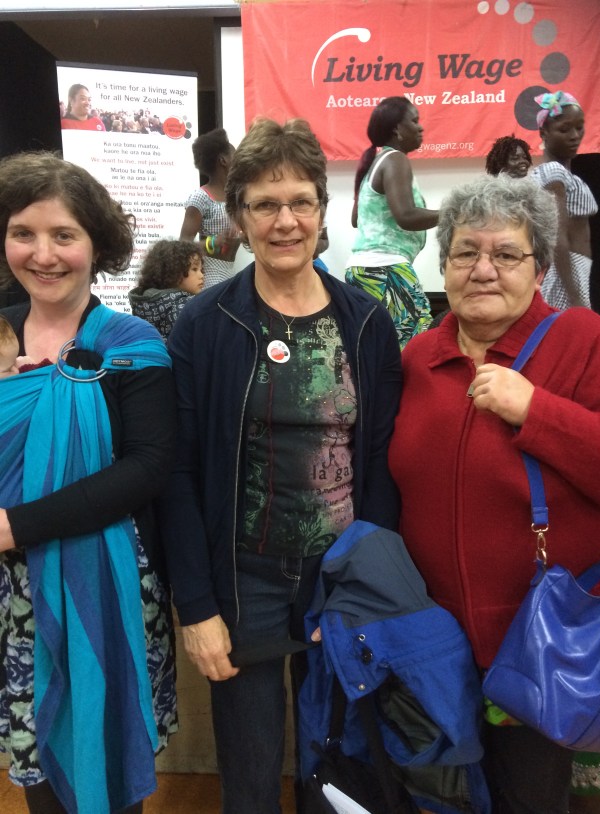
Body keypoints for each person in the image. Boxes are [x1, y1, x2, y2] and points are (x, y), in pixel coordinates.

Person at [158, 117, 402, 814]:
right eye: (265, 205)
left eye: (300, 202)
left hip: (341, 579)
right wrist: (197, 607)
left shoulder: (365, 323)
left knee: (340, 768)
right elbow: (177, 474)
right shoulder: (205, 325)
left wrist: (370, 585)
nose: (285, 220)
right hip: (245, 584)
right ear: (237, 216)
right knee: (252, 774)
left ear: (323, 211)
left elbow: (380, 463)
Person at [388, 174, 600, 814]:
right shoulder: (419, 358)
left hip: (542, 648)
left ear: (539, 267)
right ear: (445, 264)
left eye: (506, 254)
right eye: (465, 252)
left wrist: (537, 412)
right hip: (436, 650)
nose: (483, 269)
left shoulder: (585, 340)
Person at [0, 151, 178, 814]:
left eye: (64, 235)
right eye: (24, 233)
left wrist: (17, 525)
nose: (43, 254)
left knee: (102, 757)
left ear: (96, 245)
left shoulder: (131, 343)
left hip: (104, 591)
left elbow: (147, 468)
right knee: (35, 767)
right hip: (10, 601)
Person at [345, 97, 438, 349]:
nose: (420, 127)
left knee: (375, 345)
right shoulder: (396, 159)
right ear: (397, 129)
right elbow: (406, 216)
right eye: (415, 121)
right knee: (414, 343)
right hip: (386, 269)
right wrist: (451, 212)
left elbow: (357, 220)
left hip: (361, 271)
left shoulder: (375, 163)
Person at [531, 90, 597, 310]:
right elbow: (557, 236)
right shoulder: (553, 172)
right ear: (544, 133)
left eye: (579, 127)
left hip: (575, 269)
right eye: (564, 129)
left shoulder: (564, 174)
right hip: (565, 272)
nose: (574, 135)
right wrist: (575, 297)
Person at [179, 127, 240, 288]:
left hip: (230, 272)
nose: (239, 161)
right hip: (210, 276)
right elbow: (182, 246)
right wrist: (213, 242)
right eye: (236, 156)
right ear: (223, 160)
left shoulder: (237, 197)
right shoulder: (200, 198)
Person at [129, 239, 205, 340]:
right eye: (194, 269)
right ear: (174, 272)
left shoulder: (142, 304)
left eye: (201, 270)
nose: (201, 275)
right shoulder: (186, 308)